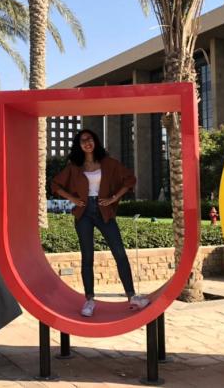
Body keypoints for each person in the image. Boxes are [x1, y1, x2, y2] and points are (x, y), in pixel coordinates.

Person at [52, 129, 150, 317]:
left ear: (95, 141)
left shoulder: (108, 163)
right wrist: (73, 199)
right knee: (87, 257)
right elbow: (55, 185)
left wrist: (114, 198)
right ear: (79, 145)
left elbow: (130, 179)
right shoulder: (75, 166)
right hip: (84, 213)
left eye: (90, 139)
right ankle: (89, 301)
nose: (87, 143)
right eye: (83, 141)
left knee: (120, 253)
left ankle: (132, 296)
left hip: (104, 211)